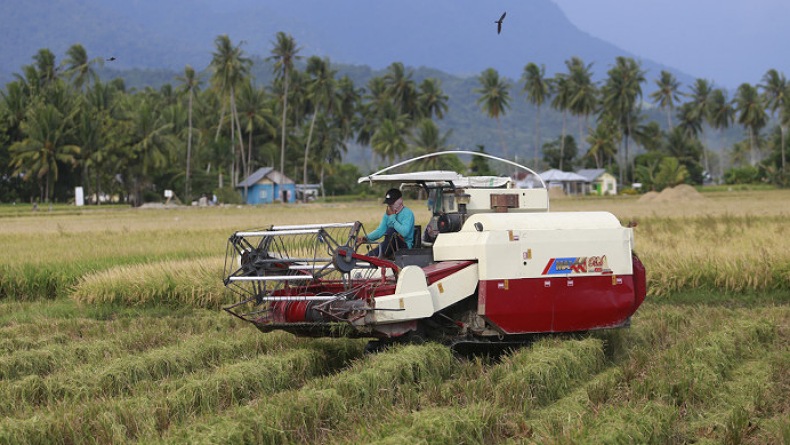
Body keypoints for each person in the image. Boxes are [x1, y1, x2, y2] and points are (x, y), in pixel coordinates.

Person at [359, 188, 415, 258]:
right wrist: (366, 238)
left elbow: (404, 232)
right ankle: (367, 257)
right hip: (389, 245)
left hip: (405, 246)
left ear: (400, 200)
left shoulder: (408, 213)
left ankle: (380, 256)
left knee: (391, 231)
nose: (389, 205)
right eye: (388, 203)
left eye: (392, 202)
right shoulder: (387, 215)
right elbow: (380, 231)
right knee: (371, 253)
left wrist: (392, 218)